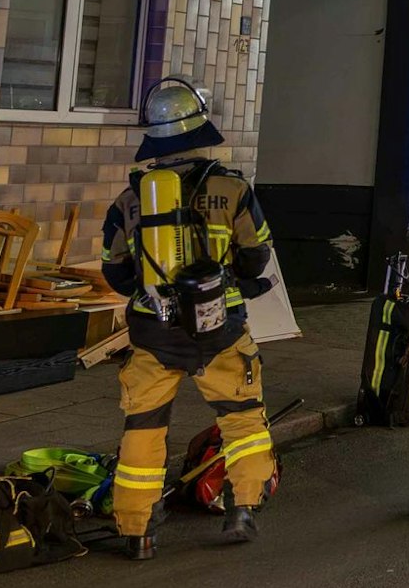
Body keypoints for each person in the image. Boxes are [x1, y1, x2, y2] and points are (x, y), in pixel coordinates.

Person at [100, 77, 278, 560]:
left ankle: (137, 531)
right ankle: (241, 508)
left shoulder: (129, 200)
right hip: (220, 327)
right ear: (200, 129)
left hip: (152, 331)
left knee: (144, 427)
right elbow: (255, 256)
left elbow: (113, 272)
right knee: (242, 419)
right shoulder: (232, 187)